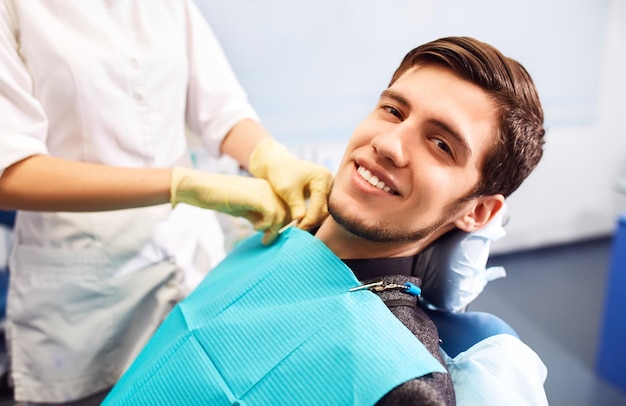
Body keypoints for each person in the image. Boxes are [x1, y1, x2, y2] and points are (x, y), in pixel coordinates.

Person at [103, 36, 548, 405]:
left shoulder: (404, 384)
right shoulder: (273, 239)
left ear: (478, 211)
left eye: (440, 145)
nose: (389, 144)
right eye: (393, 111)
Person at [0, 1, 333, 404]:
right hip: (84, 296)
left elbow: (221, 110)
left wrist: (269, 156)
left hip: (191, 262)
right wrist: (181, 184)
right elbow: (10, 170)